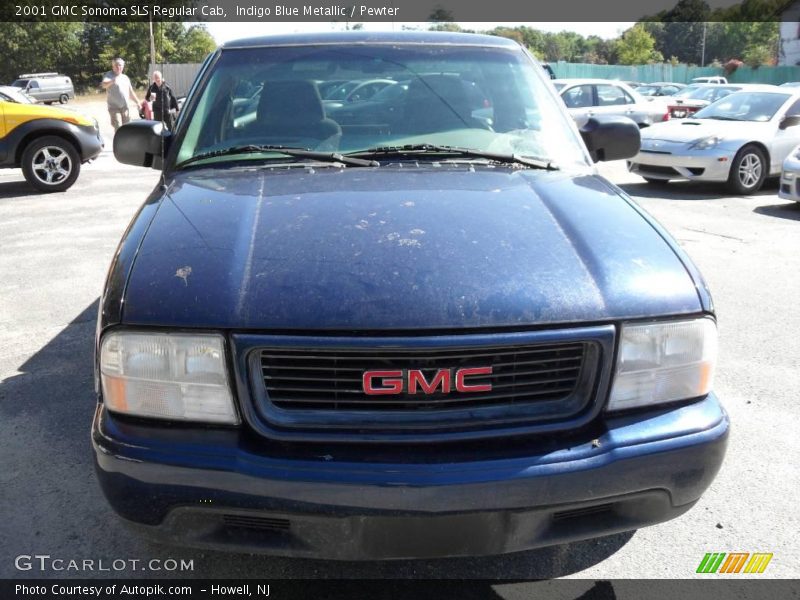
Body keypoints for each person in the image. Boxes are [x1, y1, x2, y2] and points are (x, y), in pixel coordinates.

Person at [101, 58, 140, 131]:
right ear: (113, 66)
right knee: (118, 127)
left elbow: (130, 92)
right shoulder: (109, 75)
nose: (118, 67)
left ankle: (125, 139)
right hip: (114, 108)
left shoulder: (125, 78)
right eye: (116, 65)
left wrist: (138, 102)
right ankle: (118, 138)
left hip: (125, 107)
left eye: (120, 65)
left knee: (127, 128)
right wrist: (112, 81)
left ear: (123, 66)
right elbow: (103, 85)